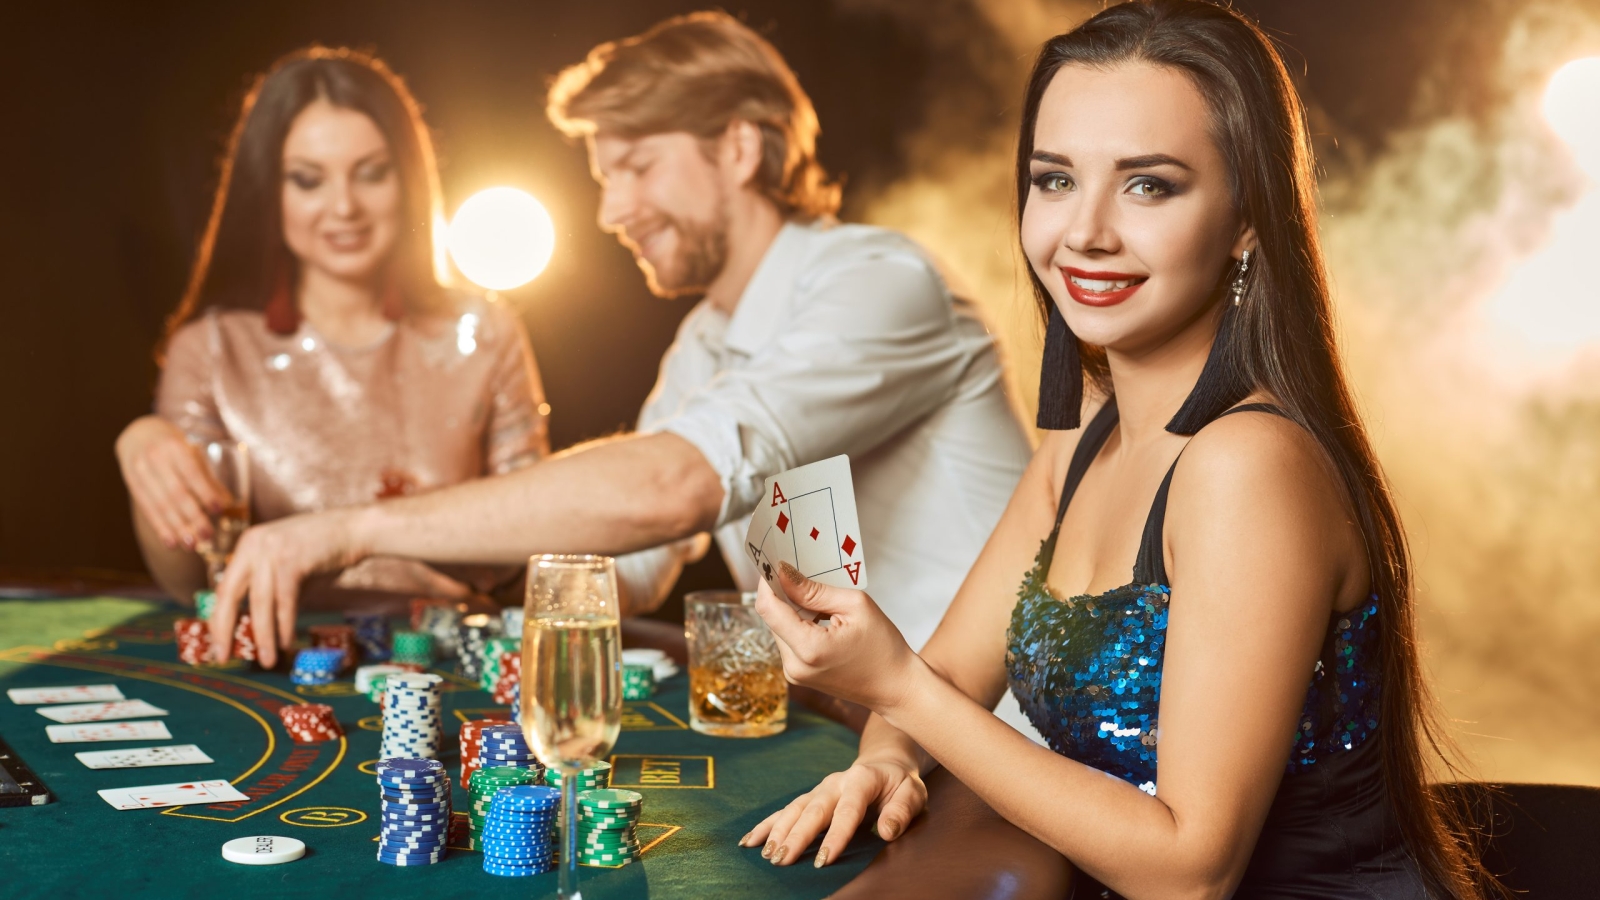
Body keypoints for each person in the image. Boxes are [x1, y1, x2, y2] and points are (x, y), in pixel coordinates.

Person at [741, 2, 1493, 898]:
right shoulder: (1083, 437)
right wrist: (886, 760)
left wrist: (899, 692)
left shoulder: (1248, 465)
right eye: (1055, 179)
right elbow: (945, 674)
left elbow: (1191, 873)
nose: (1085, 232)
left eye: (1150, 185)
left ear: (1249, 218)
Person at [208, 12, 1035, 696]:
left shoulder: (881, 280)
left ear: (740, 150)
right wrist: (439, 570)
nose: (612, 210)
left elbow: (669, 490)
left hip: (1005, 747)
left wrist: (349, 529)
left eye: (637, 166)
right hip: (868, 745)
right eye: (605, 177)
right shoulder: (704, 346)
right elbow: (627, 567)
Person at [115, 47, 549, 640]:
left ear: (408, 177)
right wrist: (146, 451)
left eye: (371, 173)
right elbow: (191, 577)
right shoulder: (211, 347)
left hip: (443, 652)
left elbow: (535, 535)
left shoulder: (485, 331)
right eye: (308, 180)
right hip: (279, 652)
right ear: (271, 191)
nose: (344, 207)